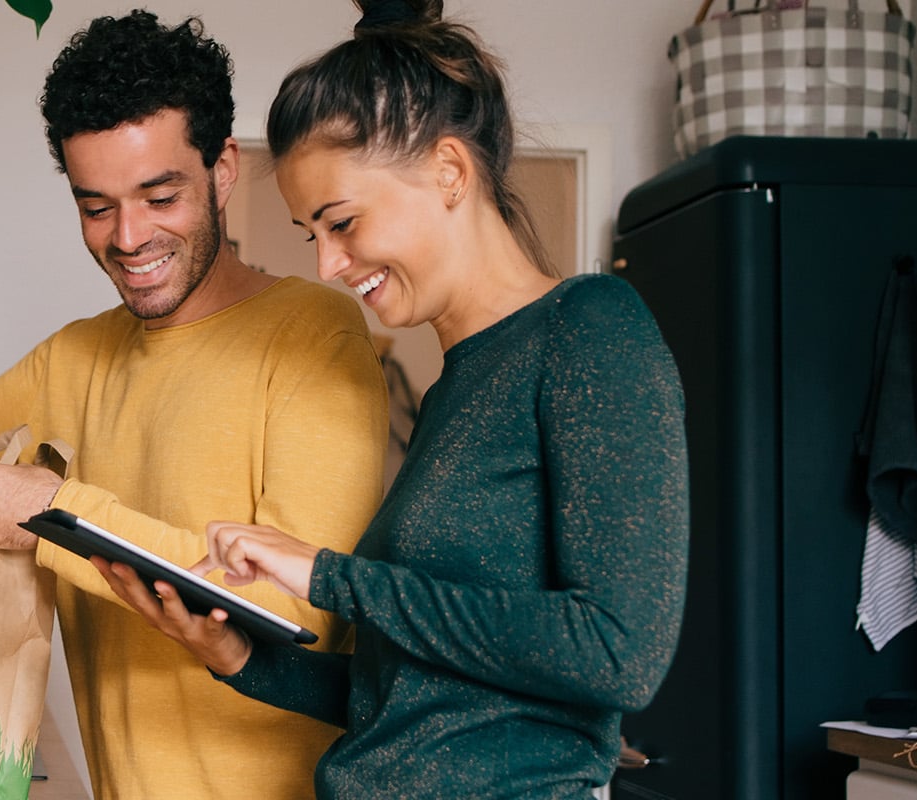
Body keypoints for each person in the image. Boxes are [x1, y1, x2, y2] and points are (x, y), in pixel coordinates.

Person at [0, 10, 389, 800]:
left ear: (223, 168)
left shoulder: (312, 334)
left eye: (161, 196)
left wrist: (54, 514)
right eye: (97, 207)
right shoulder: (78, 354)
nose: (128, 236)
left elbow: (302, 610)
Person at [91, 1, 691, 797]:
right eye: (314, 235)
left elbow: (619, 655)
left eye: (342, 223)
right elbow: (410, 709)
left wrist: (333, 579)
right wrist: (239, 657)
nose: (331, 265)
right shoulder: (455, 388)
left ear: (448, 171)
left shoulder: (589, 331)